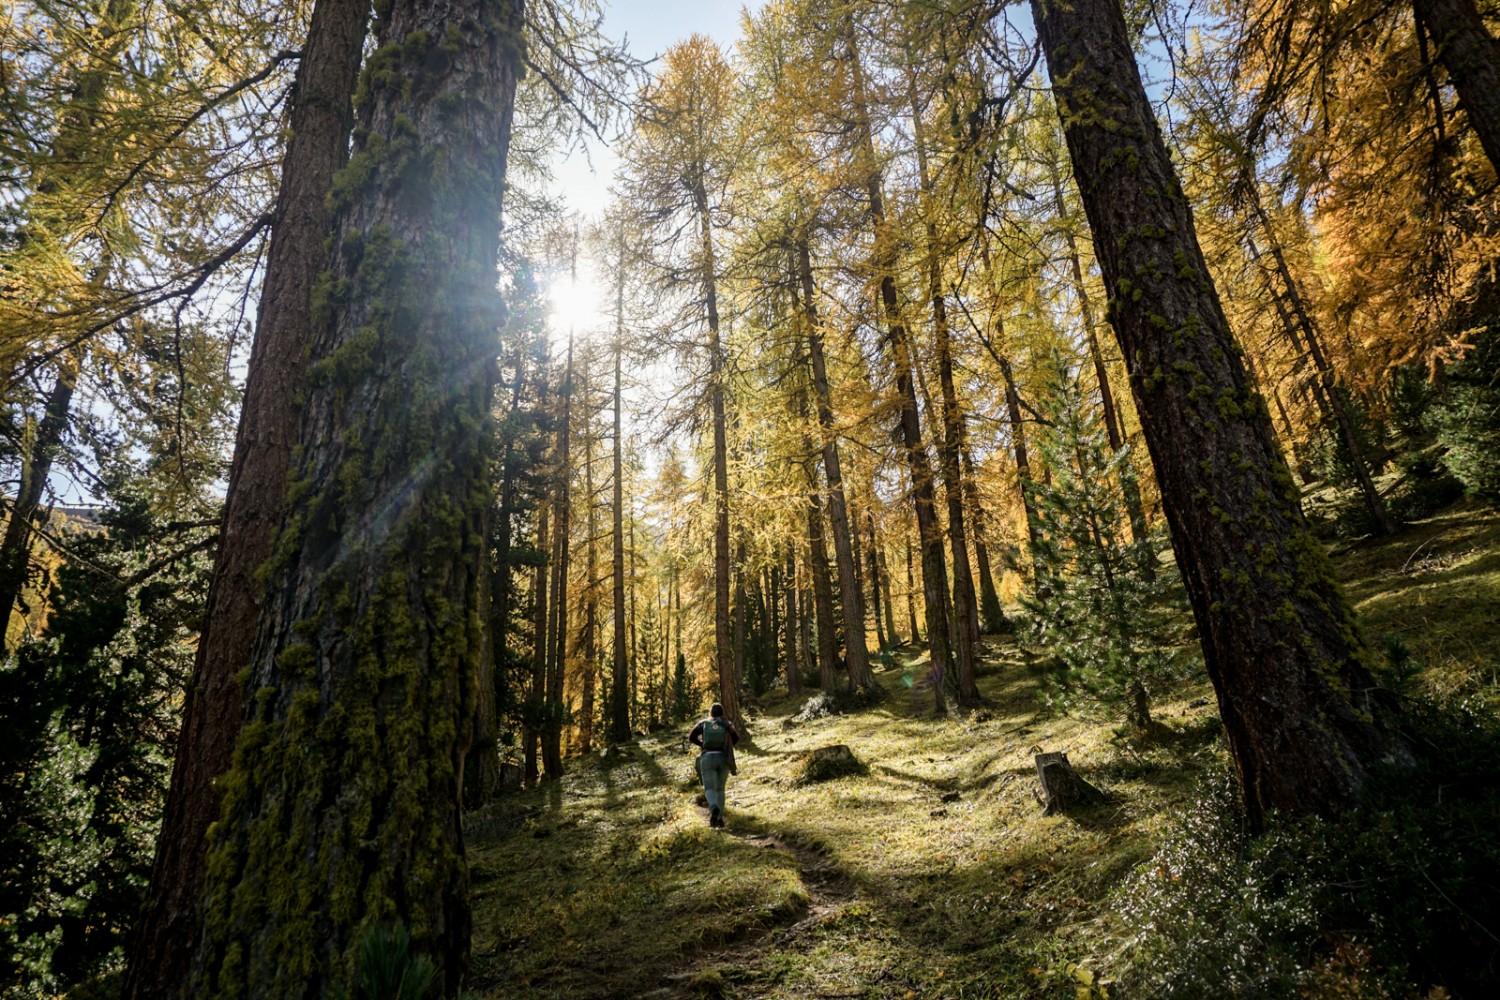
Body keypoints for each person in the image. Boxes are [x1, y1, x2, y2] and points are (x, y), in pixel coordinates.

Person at [688, 702, 739, 828]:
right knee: (720, 789)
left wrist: (702, 744)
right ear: (722, 713)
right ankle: (720, 819)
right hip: (723, 757)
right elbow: (736, 738)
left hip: (707, 757)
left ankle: (713, 807)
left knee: (709, 788)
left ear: (710, 712)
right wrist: (726, 745)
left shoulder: (703, 723)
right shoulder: (728, 724)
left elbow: (691, 737)